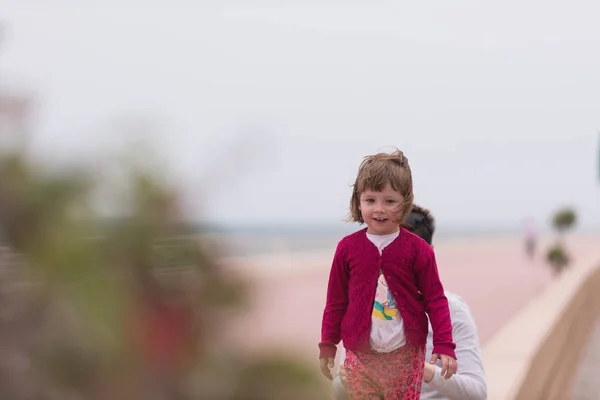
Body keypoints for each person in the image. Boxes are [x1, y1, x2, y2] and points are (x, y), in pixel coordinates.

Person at [319, 150, 457, 399]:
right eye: (370, 200)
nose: (379, 209)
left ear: (404, 202)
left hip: (406, 354)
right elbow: (336, 301)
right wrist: (328, 344)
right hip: (361, 355)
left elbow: (435, 299)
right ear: (358, 201)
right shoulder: (347, 248)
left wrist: (444, 344)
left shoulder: (418, 250)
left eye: (389, 201)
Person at [333, 205, 487, 400]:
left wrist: (422, 370)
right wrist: (346, 380)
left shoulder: (452, 310)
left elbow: (477, 392)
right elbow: (338, 388)